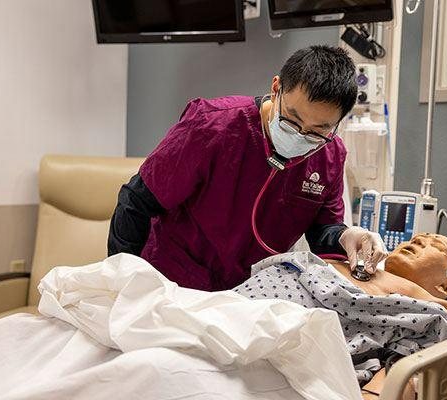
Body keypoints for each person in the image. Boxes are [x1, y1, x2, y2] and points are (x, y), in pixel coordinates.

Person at [107, 45, 387, 291]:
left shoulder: (330, 156)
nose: (301, 135)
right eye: (292, 120)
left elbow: (321, 232)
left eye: (318, 130)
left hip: (248, 294)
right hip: (170, 281)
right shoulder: (211, 126)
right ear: (276, 89)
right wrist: (124, 284)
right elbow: (136, 202)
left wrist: (347, 236)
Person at [233, 233, 447, 400]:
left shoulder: (437, 309)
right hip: (241, 303)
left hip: (285, 329)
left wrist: (378, 390)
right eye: (415, 238)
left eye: (436, 245)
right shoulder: (352, 262)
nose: (418, 240)